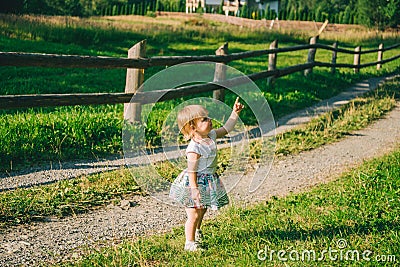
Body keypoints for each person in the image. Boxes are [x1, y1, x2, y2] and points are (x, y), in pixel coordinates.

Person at [169, 97, 244, 252]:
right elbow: (192, 171)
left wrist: (235, 113)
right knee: (194, 214)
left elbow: (226, 129)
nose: (210, 120)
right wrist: (194, 189)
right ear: (192, 127)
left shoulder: (211, 136)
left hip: (207, 180)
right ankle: (189, 243)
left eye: (208, 117)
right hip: (194, 183)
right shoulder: (193, 148)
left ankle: (196, 232)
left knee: (202, 210)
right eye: (204, 119)